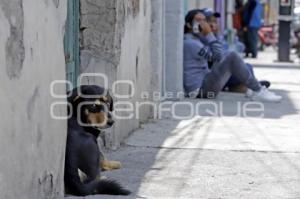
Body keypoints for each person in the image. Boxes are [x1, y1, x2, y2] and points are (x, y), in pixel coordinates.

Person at [183, 9, 282, 102]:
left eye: (204, 21)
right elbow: (219, 56)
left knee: (237, 60)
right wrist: (209, 34)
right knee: (231, 56)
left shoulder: (194, 40)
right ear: (189, 25)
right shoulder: (190, 43)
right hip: (200, 91)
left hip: (204, 85)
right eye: (198, 20)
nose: (203, 24)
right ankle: (258, 90)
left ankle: (253, 88)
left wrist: (212, 34)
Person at [202, 8, 270, 93]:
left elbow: (227, 49)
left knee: (247, 66)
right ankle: (250, 86)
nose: (212, 25)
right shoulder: (203, 38)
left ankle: (247, 86)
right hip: (213, 74)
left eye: (214, 21)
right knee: (245, 68)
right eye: (209, 21)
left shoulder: (217, 36)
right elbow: (217, 56)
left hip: (222, 70)